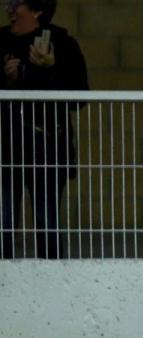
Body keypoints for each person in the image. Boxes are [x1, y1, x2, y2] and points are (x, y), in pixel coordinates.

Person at [0, 0, 87, 259]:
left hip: (47, 150)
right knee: (3, 223)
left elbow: (80, 98)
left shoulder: (63, 44)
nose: (9, 10)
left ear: (37, 10)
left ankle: (52, 283)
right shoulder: (1, 42)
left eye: (16, 4)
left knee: (46, 220)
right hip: (6, 149)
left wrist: (50, 70)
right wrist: (8, 81)